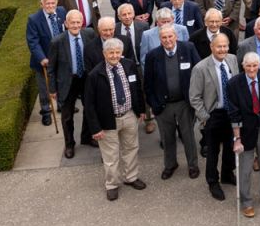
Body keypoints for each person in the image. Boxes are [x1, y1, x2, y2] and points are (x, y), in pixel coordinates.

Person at [83, 38, 146, 201]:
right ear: (104, 54)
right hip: (108, 121)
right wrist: (95, 128)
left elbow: (138, 89)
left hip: (129, 115)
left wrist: (141, 111)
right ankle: (112, 184)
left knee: (131, 148)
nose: (114, 55)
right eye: (111, 52)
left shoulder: (129, 65)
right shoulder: (95, 74)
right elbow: (89, 104)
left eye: (117, 52)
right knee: (110, 155)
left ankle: (131, 177)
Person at [143, 24, 201, 180]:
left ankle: (193, 165)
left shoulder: (188, 48)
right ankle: (170, 164)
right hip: (163, 105)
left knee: (188, 136)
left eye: (170, 36)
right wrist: (154, 105)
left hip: (184, 103)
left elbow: (198, 74)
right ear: (160, 39)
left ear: (176, 36)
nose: (168, 40)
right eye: (164, 37)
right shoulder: (152, 56)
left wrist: (195, 100)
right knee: (167, 137)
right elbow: (147, 85)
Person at [228, 52, 260, 217]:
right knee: (245, 169)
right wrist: (237, 138)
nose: (252, 69)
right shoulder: (234, 83)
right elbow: (234, 113)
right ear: (243, 66)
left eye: (255, 66)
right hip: (245, 131)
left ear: (259, 66)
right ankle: (246, 201)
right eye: (248, 66)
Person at [189, 33, 238, 201]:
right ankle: (212, 181)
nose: (222, 49)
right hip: (213, 115)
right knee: (213, 151)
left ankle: (227, 174)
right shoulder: (201, 68)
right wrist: (205, 117)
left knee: (231, 147)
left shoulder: (232, 60)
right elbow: (194, 97)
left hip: (231, 113)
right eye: (219, 46)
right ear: (211, 47)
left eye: (225, 46)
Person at [47, 10, 92, 158]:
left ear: (82, 23)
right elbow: (51, 68)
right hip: (67, 82)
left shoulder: (89, 34)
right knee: (67, 116)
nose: (75, 25)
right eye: (72, 22)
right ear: (66, 24)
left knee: (90, 110)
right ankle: (69, 144)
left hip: (85, 78)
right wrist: (52, 89)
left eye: (78, 22)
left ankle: (86, 137)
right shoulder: (57, 42)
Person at [25, 0, 65, 126]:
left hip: (60, 58)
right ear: (42, 4)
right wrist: (41, 58)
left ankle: (60, 104)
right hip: (44, 60)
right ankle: (46, 112)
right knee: (44, 88)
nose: (50, 5)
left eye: (52, 2)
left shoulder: (61, 12)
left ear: (57, 3)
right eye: (47, 3)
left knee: (60, 82)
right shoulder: (34, 19)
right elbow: (33, 42)